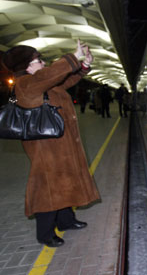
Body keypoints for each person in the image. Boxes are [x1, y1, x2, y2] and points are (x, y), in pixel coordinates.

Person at [2, 41, 100, 247]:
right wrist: (73, 56)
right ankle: (44, 234)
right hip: (45, 147)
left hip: (60, 144)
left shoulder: (41, 83)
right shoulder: (26, 84)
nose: (43, 62)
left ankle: (65, 221)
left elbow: (63, 81)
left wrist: (83, 67)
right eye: (39, 60)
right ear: (27, 66)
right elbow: (50, 75)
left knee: (65, 179)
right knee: (48, 187)